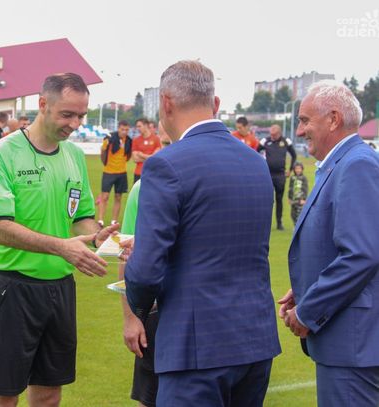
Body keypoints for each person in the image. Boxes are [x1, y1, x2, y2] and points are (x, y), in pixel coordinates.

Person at [124, 60, 280, 407]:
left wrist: (138, 304)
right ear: (216, 104)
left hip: (196, 345)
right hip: (254, 338)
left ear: (166, 103)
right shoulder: (255, 162)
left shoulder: (166, 163)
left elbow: (146, 270)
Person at [0, 72, 119, 407]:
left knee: (49, 394)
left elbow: (81, 217)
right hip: (14, 287)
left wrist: (97, 236)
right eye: (67, 114)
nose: (74, 124)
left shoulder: (73, 156)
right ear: (43, 104)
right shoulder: (2, 153)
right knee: (4, 393)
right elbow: (1, 228)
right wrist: (62, 247)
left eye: (81, 116)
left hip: (60, 288)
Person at [278, 81, 379, 407]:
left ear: (333, 119)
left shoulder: (357, 165)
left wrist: (309, 311)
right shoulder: (342, 164)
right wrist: (306, 286)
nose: (300, 130)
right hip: (348, 343)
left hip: (353, 344)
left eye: (305, 120)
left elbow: (361, 254)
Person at [120, 121, 170, 407]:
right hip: (155, 313)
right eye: (165, 144)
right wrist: (130, 317)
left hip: (200, 313)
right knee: (150, 397)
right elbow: (125, 254)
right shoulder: (143, 188)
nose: (166, 151)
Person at [257, 124, 297, 230]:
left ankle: (279, 223)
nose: (272, 136)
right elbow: (255, 152)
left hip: (280, 175)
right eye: (271, 134)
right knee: (267, 200)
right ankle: (265, 223)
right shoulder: (265, 141)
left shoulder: (286, 141)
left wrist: (290, 169)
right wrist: (260, 166)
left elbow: (294, 155)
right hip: (267, 175)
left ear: (279, 133)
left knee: (279, 199)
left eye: (274, 135)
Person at [97, 120, 132, 226]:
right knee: (105, 196)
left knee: (118, 197)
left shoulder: (129, 140)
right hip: (108, 172)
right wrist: (105, 162)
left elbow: (128, 155)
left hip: (122, 173)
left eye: (126, 130)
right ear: (118, 128)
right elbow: (103, 151)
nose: (124, 132)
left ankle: (114, 220)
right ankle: (100, 220)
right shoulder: (110, 138)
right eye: (122, 129)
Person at [131, 118, 161, 183]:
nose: (138, 129)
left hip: (152, 172)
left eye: (139, 126)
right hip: (138, 173)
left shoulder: (156, 139)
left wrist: (141, 155)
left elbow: (155, 158)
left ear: (146, 125)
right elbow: (135, 159)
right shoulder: (135, 140)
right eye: (137, 127)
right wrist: (150, 157)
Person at [287, 162, 308, 227]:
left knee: (299, 214)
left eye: (299, 168)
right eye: (296, 168)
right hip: (293, 200)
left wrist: (304, 199)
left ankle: (298, 227)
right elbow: (290, 188)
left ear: (302, 169)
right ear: (294, 169)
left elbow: (305, 189)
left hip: (300, 200)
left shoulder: (303, 178)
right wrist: (289, 198)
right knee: (292, 214)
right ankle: (295, 225)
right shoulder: (292, 178)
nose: (298, 170)